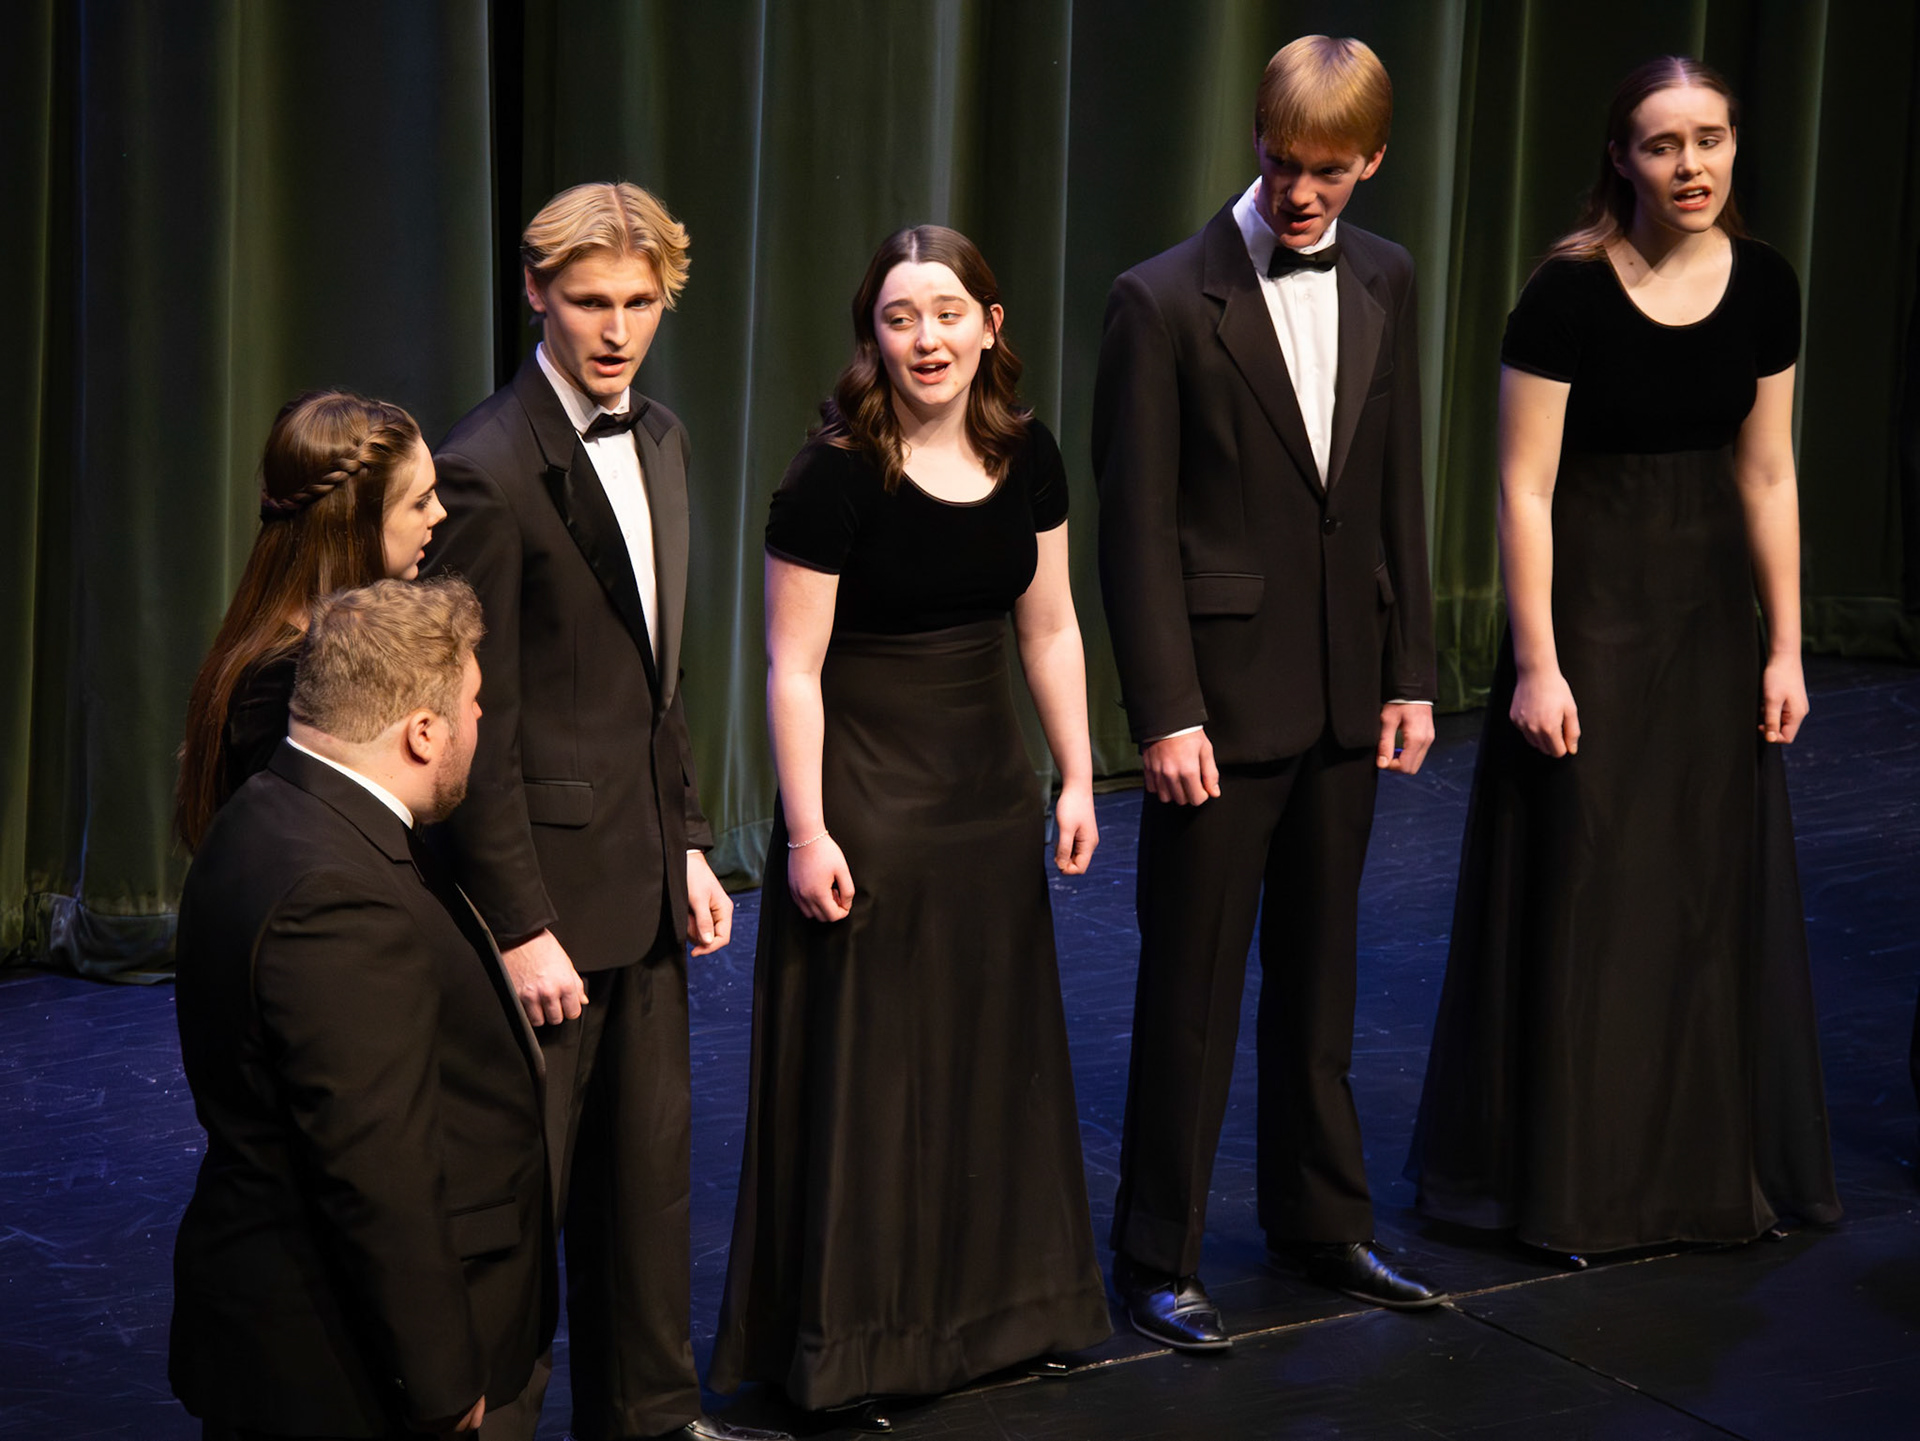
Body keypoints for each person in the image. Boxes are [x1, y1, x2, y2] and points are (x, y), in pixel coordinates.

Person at [1406, 56, 1843, 1257]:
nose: (1690, 164)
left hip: (1706, 616)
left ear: (1736, 150)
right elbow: (1523, 488)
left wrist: (1788, 646)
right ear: (1621, 159)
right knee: (1589, 886)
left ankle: (1690, 1175)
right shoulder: (1568, 294)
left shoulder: (1765, 284)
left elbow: (1767, 472)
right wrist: (1537, 661)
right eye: (1662, 144)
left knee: (1696, 888)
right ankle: (1571, 1179)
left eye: (1709, 139)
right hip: (1591, 608)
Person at [709, 224, 1112, 1425]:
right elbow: (792, 668)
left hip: (987, 791)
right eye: (900, 316)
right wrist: (807, 830)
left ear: (991, 324)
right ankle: (860, 1343)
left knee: (994, 1054)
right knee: (873, 1074)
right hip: (870, 791)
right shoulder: (831, 471)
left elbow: (1049, 626)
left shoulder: (1028, 454)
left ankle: (1007, 1313)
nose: (926, 337)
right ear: (871, 336)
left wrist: (1079, 778)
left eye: (947, 312)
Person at [1093, 34, 1443, 1352]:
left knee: (1322, 974)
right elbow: (1136, 531)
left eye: (1330, 175)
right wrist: (1165, 710)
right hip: (1218, 709)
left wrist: (1410, 667)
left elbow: (1394, 478)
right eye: (1283, 166)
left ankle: (1323, 1221)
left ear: (1373, 163)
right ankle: (1158, 1254)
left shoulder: (1390, 278)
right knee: (1191, 988)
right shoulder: (1163, 299)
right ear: (1254, 139)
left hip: (1348, 687)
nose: (1301, 198)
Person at [423, 183, 780, 1441]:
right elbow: (483, 730)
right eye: (587, 302)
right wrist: (517, 922)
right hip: (541, 906)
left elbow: (655, 682)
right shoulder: (481, 469)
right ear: (536, 295)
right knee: (524, 1199)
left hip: (641, 879)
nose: (613, 329)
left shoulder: (668, 437)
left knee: (647, 1185)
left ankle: (652, 1415)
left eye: (637, 303)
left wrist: (687, 839)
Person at [170, 577, 553, 1439]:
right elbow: (377, 1168)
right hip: (346, 1367)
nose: (481, 722)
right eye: (475, 702)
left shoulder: (266, 814)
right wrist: (443, 1377)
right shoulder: (339, 896)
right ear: (423, 731)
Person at [176, 390, 446, 852]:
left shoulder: (312, 653)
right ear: (355, 522)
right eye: (420, 502)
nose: (439, 513)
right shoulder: (280, 686)